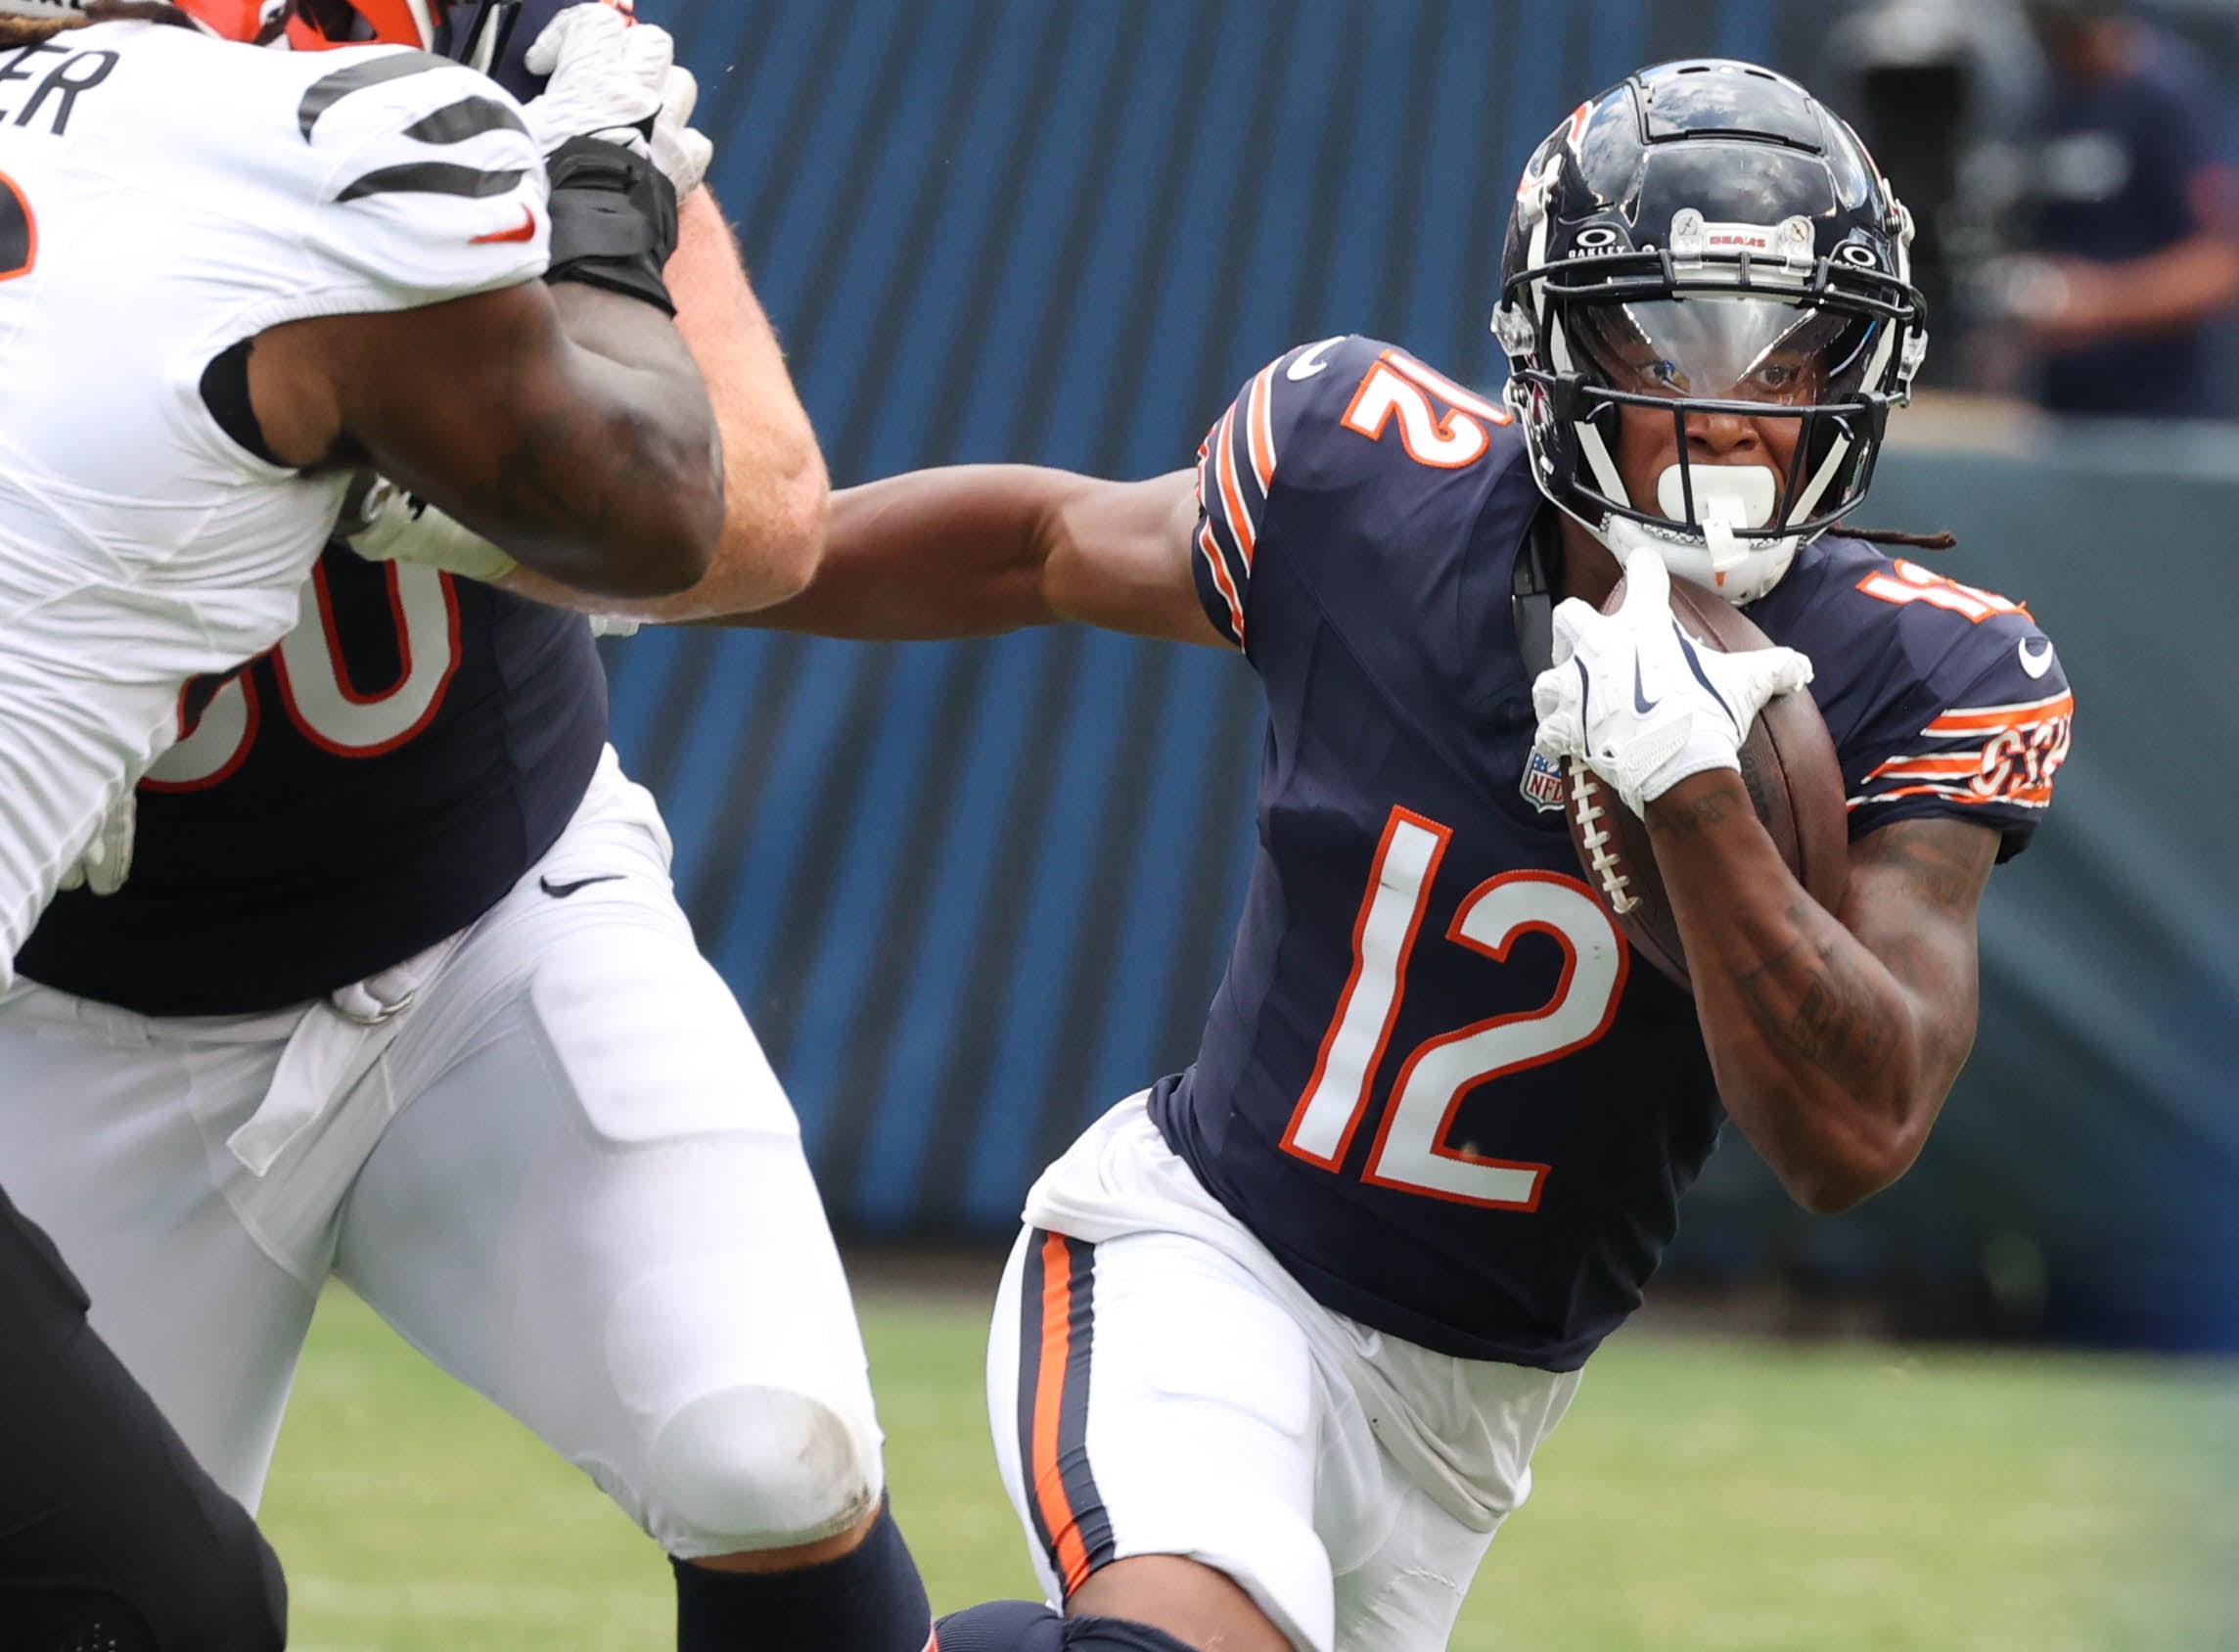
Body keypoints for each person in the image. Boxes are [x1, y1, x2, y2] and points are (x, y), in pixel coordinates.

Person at [736, 61, 2075, 1652]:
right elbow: (1044, 543)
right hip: (1209, 1259)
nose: (1733, 405)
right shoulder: (1367, 483)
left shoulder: (1922, 671)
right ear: (1552, 342)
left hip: (1468, 1420)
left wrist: (1696, 799)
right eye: (1670, 337)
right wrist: (697, 557)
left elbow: (1852, 1129)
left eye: (1793, 345)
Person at [0, 1, 939, 1647]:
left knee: (767, 1450)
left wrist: (408, 468)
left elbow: (764, 510)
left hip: (487, 924)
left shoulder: (489, 46)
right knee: (130, 1604)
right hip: (79, 1012)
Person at [2006, 0, 2239, 416]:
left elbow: (2220, 265)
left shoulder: (2168, 97)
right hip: (2060, 409)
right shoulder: (2046, 97)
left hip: (2161, 418)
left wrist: (2098, 303)